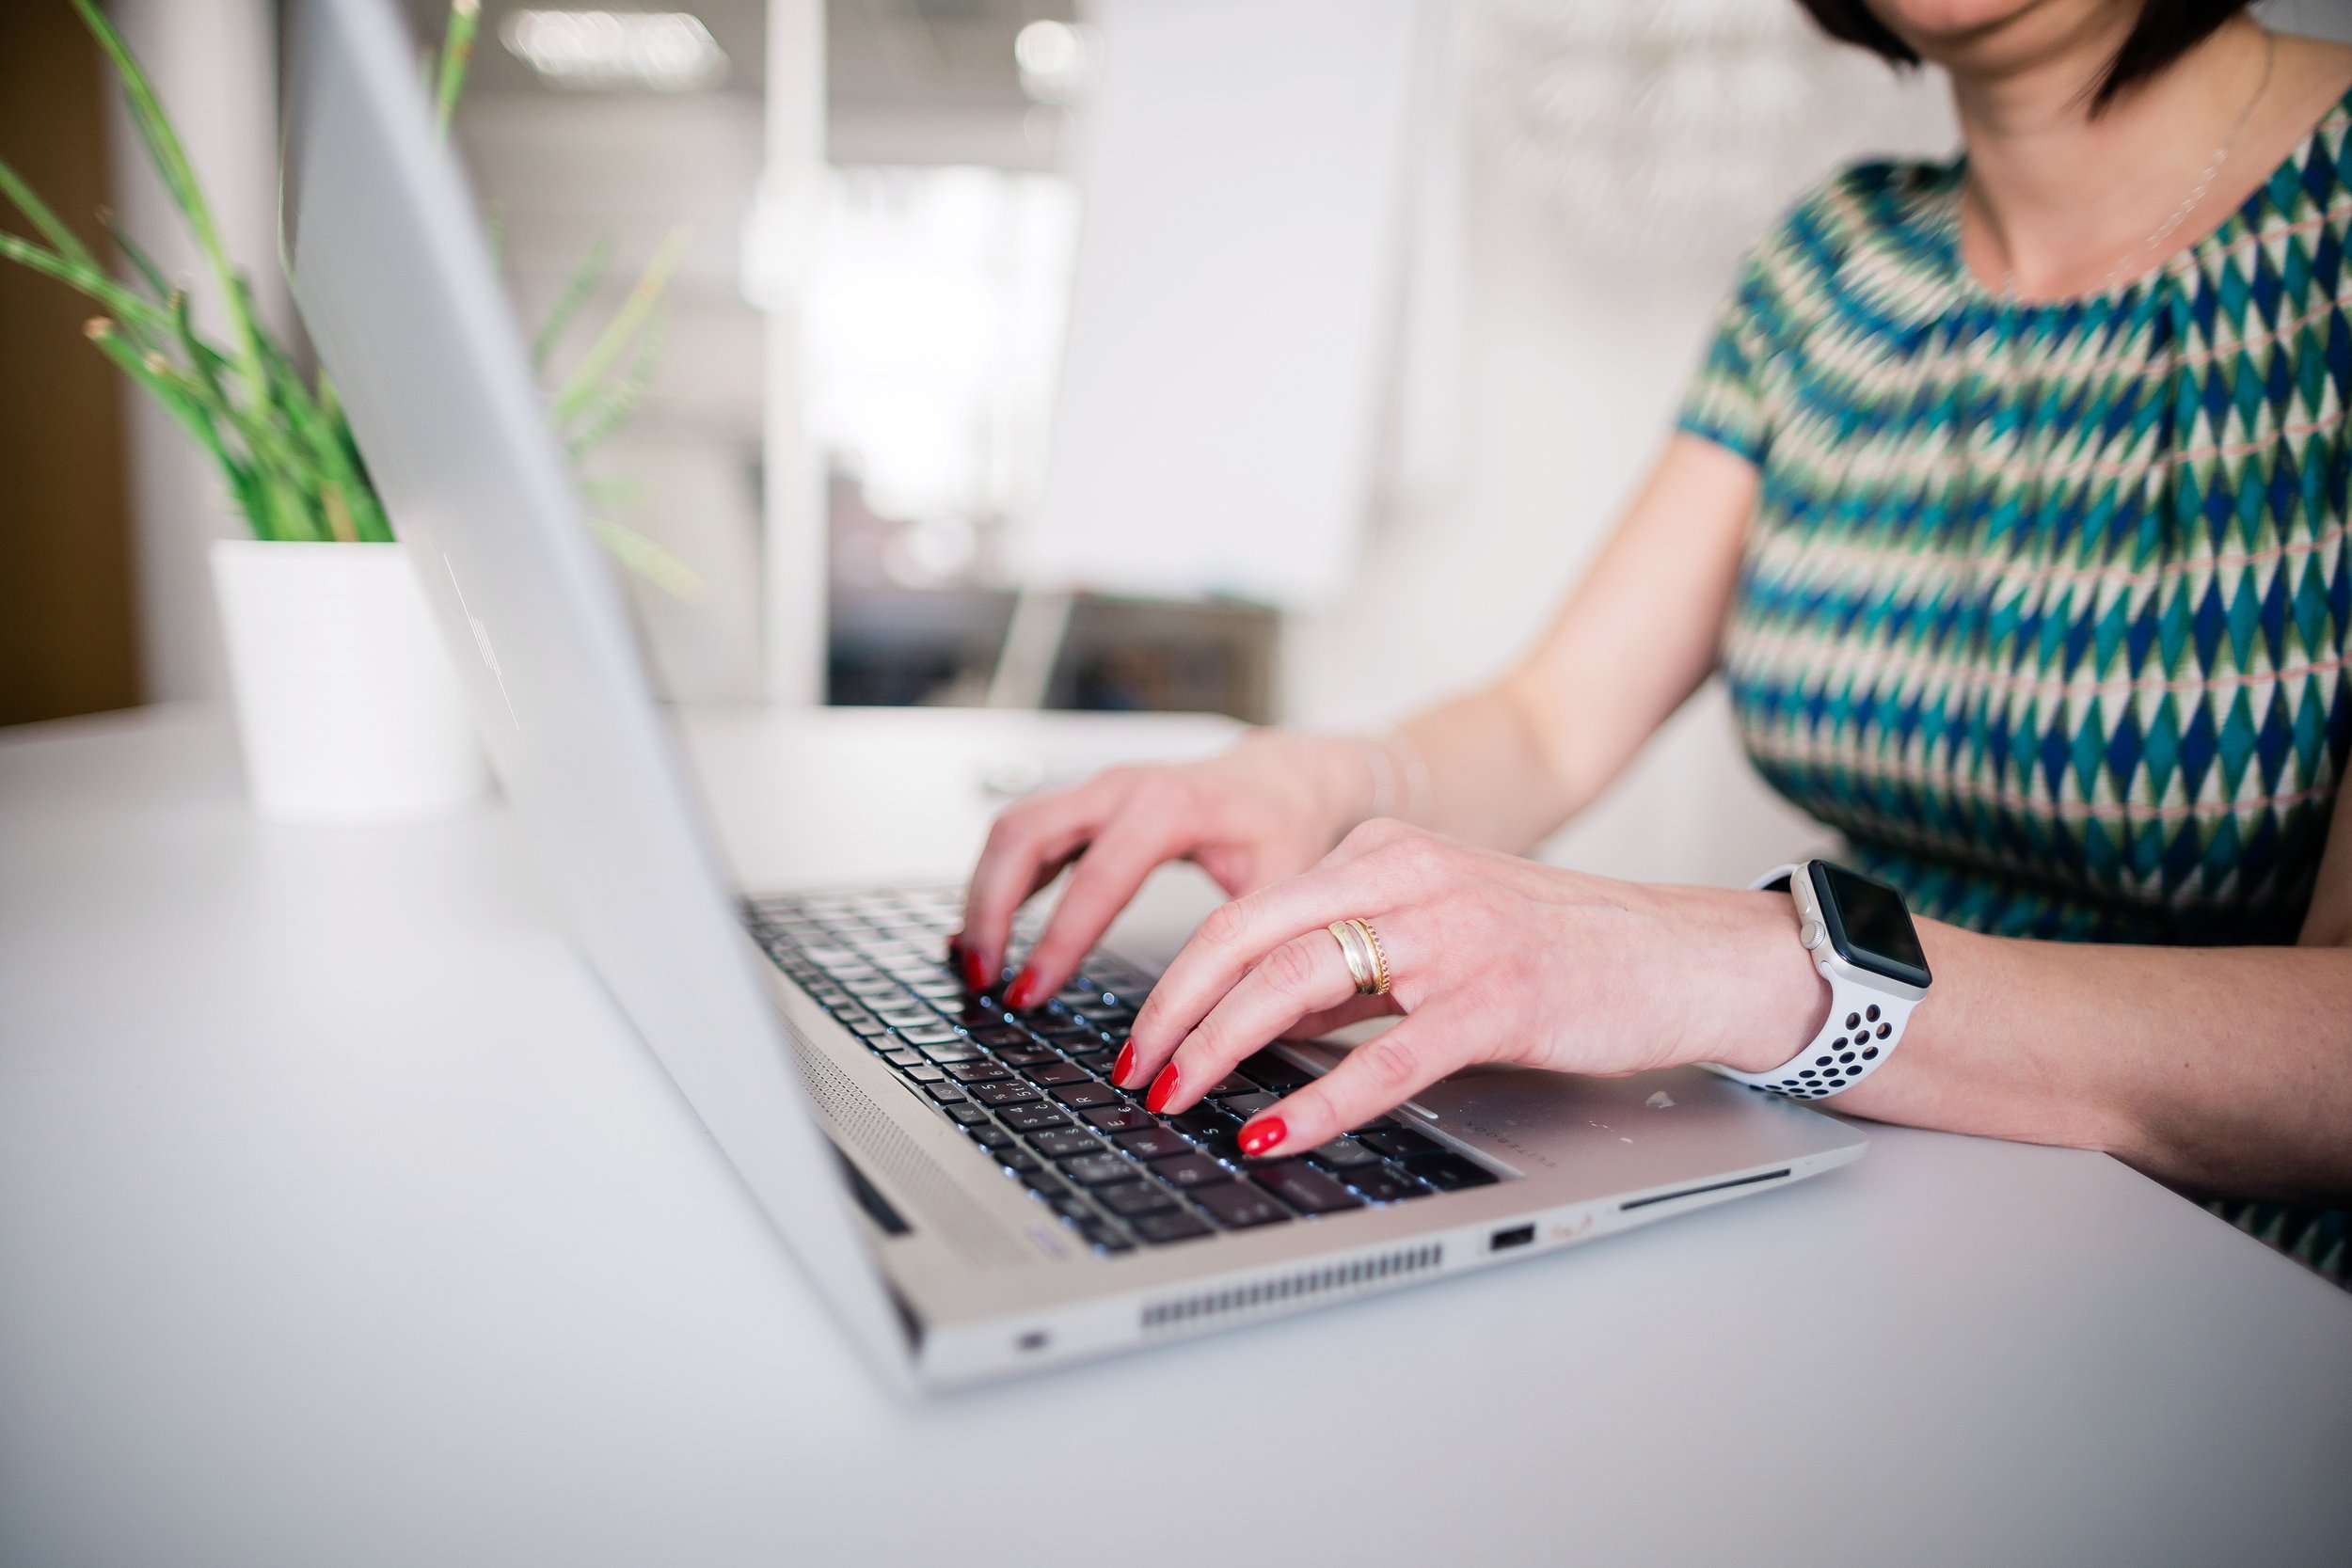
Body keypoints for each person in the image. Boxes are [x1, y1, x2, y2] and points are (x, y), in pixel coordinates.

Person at [951, 0, 2352, 1279]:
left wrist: (1764, 971)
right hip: (1861, 1185)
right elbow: (1552, 723)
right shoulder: (1836, 268)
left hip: (2238, 1289)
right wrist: (1304, 780)